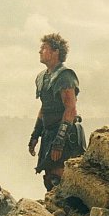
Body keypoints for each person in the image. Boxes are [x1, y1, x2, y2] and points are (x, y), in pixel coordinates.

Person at [28, 33, 81, 191]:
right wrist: (35, 135)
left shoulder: (65, 76)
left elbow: (70, 109)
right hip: (49, 133)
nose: (40, 51)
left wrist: (59, 141)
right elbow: (44, 108)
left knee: (60, 177)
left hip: (65, 134)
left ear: (56, 52)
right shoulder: (42, 77)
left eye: (44, 48)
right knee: (49, 179)